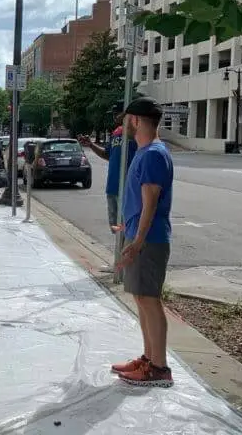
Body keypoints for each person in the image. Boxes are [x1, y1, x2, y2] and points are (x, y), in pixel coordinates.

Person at [110, 97, 174, 388]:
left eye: (126, 119)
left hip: (148, 240)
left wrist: (136, 241)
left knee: (150, 300)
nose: (124, 124)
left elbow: (151, 201)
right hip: (140, 235)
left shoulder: (152, 154)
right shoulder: (146, 152)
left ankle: (159, 368)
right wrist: (128, 224)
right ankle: (149, 359)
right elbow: (140, 202)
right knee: (141, 297)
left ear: (135, 120)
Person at [79, 101, 138, 273]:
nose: (114, 116)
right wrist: (90, 145)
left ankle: (124, 266)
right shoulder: (116, 134)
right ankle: (119, 264)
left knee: (125, 227)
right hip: (112, 186)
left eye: (117, 113)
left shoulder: (134, 134)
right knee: (117, 227)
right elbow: (107, 154)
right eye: (113, 113)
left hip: (127, 188)